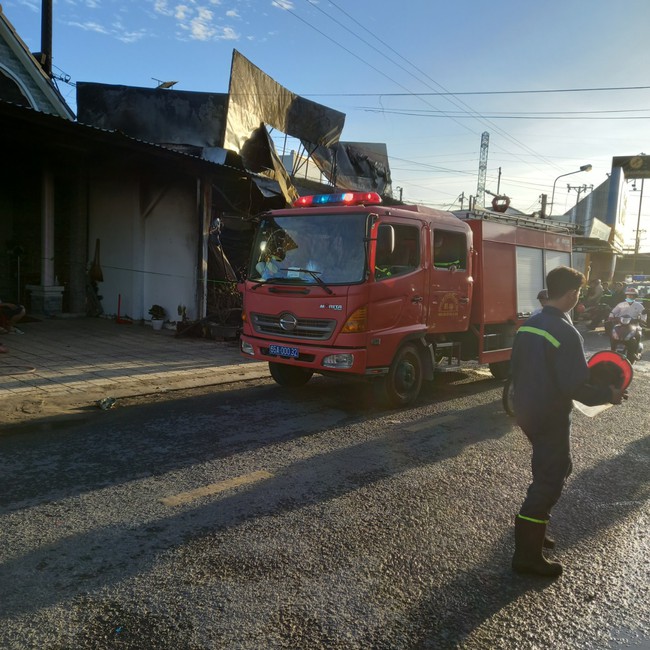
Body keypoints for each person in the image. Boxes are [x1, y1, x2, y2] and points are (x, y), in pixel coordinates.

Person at [510, 266, 627, 577]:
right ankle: (527, 554)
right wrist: (609, 395)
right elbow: (577, 388)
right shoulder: (566, 331)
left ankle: (536, 528)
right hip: (549, 415)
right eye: (578, 292)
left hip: (526, 411)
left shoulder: (529, 325)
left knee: (556, 467)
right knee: (550, 477)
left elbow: (518, 369)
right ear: (573, 294)